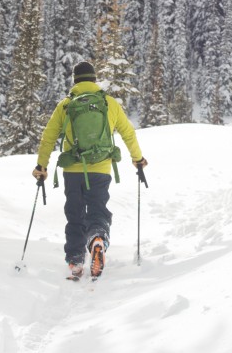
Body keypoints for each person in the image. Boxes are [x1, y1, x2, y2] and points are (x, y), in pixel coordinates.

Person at [33, 61, 148, 279]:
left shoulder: (65, 105)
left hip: (73, 169)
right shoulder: (109, 103)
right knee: (97, 209)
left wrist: (41, 166)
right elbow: (128, 133)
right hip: (101, 167)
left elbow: (48, 137)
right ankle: (97, 239)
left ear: (75, 80)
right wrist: (138, 158)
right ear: (95, 80)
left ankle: (75, 261)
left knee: (74, 213)